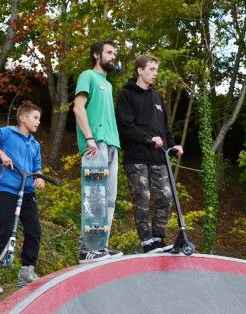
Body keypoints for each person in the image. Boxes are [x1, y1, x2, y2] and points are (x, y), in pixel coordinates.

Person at [116, 54, 183, 254]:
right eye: (151, 69)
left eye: (156, 70)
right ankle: (147, 242)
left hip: (159, 157)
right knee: (142, 196)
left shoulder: (157, 97)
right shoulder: (126, 94)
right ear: (139, 70)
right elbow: (125, 126)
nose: (155, 74)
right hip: (136, 157)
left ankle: (158, 238)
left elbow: (165, 126)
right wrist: (148, 138)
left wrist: (173, 146)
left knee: (166, 195)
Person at [0, 102, 45, 294]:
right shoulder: (7, 133)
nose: (38, 122)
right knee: (5, 230)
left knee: (34, 231)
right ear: (22, 118)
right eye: (35, 117)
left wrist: (39, 179)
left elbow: (37, 168)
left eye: (39, 119)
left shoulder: (35, 144)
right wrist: (1, 153)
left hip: (27, 192)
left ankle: (26, 272)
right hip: (6, 189)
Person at [73, 40, 122, 263]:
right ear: (96, 55)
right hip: (95, 145)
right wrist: (90, 139)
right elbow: (78, 107)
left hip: (112, 145)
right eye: (109, 52)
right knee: (95, 198)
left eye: (114, 53)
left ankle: (100, 246)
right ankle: (87, 250)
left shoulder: (108, 84)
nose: (113, 56)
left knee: (109, 200)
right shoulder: (88, 76)